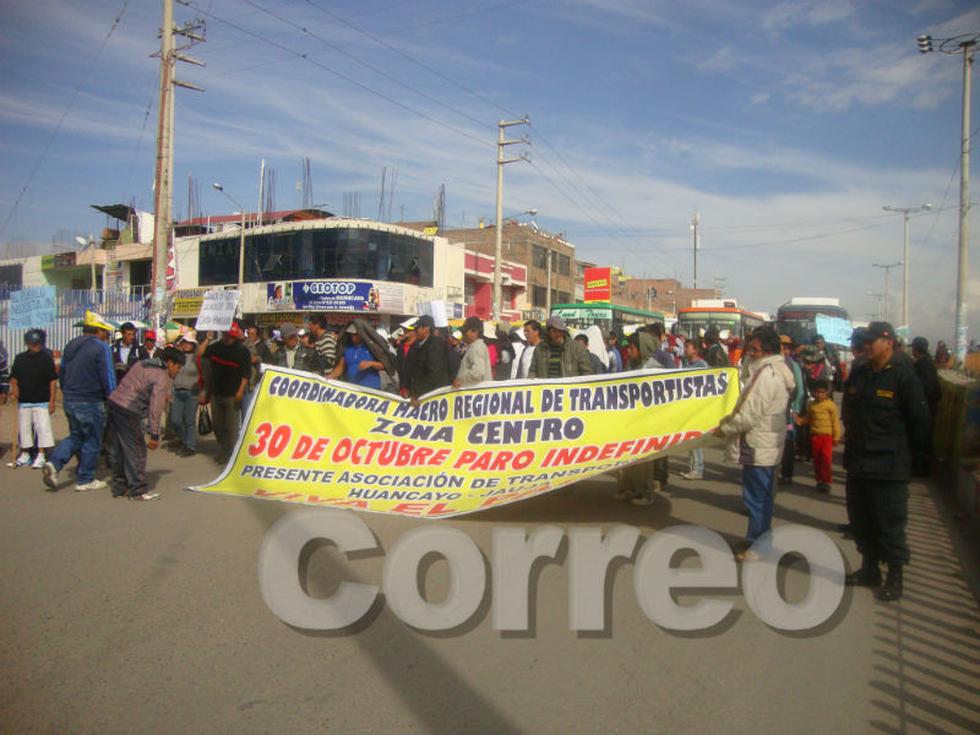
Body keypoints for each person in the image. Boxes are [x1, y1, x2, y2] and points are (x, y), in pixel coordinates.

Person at [842, 322, 930, 602]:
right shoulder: (861, 373)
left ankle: (894, 575)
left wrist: (910, 463)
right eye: (864, 341)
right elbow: (849, 410)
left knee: (889, 524)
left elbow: (920, 424)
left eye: (872, 342)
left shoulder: (904, 378)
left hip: (889, 467)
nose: (866, 346)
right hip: (858, 462)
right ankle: (869, 569)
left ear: (888, 342)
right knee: (861, 519)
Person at [715, 326, 795, 560]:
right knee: (761, 498)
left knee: (757, 499)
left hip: (760, 446)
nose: (750, 353)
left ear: (767, 351)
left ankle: (758, 546)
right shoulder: (773, 371)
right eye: (750, 348)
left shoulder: (766, 376)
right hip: (765, 443)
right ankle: (757, 540)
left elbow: (749, 415)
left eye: (755, 350)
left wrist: (723, 429)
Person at [42, 310, 117, 492]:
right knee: (92, 439)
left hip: (70, 398)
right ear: (98, 331)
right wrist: (113, 398)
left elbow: (63, 373)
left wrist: (67, 393)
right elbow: (108, 377)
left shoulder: (70, 345)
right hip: (91, 400)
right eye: (105, 332)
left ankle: (54, 463)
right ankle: (85, 479)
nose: (106, 336)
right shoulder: (101, 348)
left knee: (76, 436)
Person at [106, 347, 185, 501]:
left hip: (114, 403)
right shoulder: (162, 376)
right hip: (129, 410)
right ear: (170, 363)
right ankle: (137, 489)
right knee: (137, 450)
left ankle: (119, 486)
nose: (178, 371)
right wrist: (154, 434)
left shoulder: (143, 364)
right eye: (178, 367)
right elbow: (156, 408)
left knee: (118, 448)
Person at [614, 331, 668, 505]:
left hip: (646, 420)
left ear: (641, 348)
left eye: (631, 348)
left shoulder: (653, 367)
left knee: (644, 462)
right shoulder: (632, 364)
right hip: (630, 419)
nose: (628, 351)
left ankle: (645, 493)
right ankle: (628, 488)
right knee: (626, 459)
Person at [198, 324, 251, 465]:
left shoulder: (242, 351)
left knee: (231, 428)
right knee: (218, 427)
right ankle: (223, 450)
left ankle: (231, 456)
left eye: (229, 335)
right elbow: (200, 353)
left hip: (232, 395)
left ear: (234, 336)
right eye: (225, 334)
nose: (226, 337)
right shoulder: (216, 347)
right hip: (216, 394)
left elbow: (246, 374)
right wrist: (208, 339)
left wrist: (240, 391)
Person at [8, 329, 58, 469]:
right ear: (27, 343)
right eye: (32, 344)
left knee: (42, 428)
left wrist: (52, 401)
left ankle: (41, 455)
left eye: (37, 344)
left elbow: (52, 380)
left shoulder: (46, 358)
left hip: (42, 400)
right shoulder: (20, 358)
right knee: (24, 428)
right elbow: (14, 377)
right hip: (24, 400)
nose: (35, 346)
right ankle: (25, 454)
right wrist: (15, 387)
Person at [796, 378, 840, 493]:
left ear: (827, 393)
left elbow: (835, 422)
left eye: (823, 392)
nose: (820, 395)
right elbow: (808, 418)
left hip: (827, 436)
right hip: (815, 436)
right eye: (818, 392)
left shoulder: (830, 406)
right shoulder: (811, 405)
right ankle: (819, 480)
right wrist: (800, 421)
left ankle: (826, 481)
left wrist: (836, 436)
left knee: (826, 459)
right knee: (816, 460)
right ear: (814, 392)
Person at [910, 336, 941, 477]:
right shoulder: (926, 364)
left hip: (925, 409)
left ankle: (921, 470)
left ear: (916, 349)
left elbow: (926, 390)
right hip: (927, 408)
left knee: (921, 440)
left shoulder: (924, 366)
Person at [778, 335, 806, 486]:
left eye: (787, 347)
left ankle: (787, 474)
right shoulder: (772, 364)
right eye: (782, 347)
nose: (784, 350)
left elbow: (800, 390)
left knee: (788, 442)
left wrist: (794, 409)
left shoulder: (793, 365)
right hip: (774, 411)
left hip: (788, 411)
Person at [168, 333, 202, 457]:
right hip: (177, 391)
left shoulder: (197, 357)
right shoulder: (177, 356)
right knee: (175, 420)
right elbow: (170, 373)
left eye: (189, 343)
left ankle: (190, 445)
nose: (187, 345)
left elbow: (205, 375)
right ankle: (184, 440)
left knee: (189, 420)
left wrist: (204, 392)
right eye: (184, 342)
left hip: (192, 392)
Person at [679, 337, 708, 481]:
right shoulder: (687, 364)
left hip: (697, 408)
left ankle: (698, 468)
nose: (685, 349)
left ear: (695, 350)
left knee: (694, 439)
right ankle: (693, 467)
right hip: (688, 407)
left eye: (688, 347)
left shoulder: (701, 365)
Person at [405, 315, 453, 400]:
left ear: (426, 328)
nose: (415, 331)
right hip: (422, 394)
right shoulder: (417, 345)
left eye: (417, 329)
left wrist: (417, 394)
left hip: (433, 395)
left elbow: (434, 373)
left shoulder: (435, 345)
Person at [528, 316, 593, 379]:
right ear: (549, 332)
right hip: (546, 388)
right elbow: (533, 371)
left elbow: (587, 373)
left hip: (568, 389)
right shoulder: (540, 349)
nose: (558, 334)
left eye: (560, 331)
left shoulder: (577, 348)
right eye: (554, 331)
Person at [330, 322, 385, 389]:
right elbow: (340, 368)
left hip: (371, 389)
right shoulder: (348, 349)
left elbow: (384, 365)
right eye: (352, 334)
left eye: (356, 334)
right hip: (353, 389)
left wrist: (371, 364)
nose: (353, 337)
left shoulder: (372, 348)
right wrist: (329, 377)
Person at [453, 317, 493, 388]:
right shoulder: (476, 346)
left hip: (477, 392)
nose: (463, 334)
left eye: (465, 331)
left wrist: (460, 379)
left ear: (475, 332)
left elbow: (478, 373)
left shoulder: (476, 347)